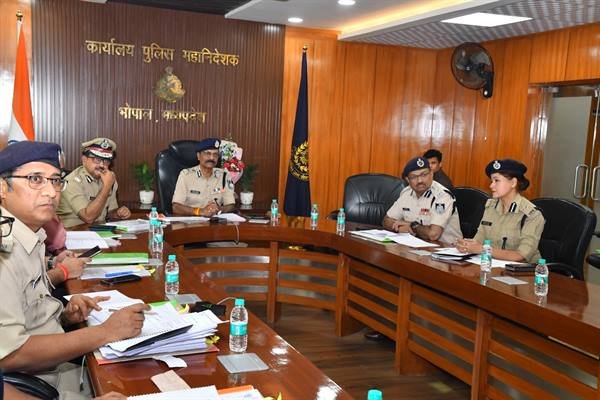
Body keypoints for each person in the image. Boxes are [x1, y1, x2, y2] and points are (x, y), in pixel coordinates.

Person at [0, 141, 148, 398]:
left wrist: (65, 317)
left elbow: (29, 313)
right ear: (3, 187)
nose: (51, 192)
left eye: (56, 181)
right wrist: (105, 332)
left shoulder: (29, 234)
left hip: (53, 369)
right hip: (38, 386)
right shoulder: (5, 250)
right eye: (35, 179)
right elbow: (11, 354)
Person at [457, 159, 545, 262]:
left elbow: (520, 255)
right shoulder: (490, 207)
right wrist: (467, 245)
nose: (491, 185)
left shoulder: (532, 215)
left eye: (496, 181)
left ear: (513, 183)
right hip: (492, 264)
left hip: (524, 269)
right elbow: (479, 240)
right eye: (491, 181)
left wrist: (482, 249)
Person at [383, 156, 462, 244]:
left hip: (447, 248)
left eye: (424, 175)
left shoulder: (442, 196)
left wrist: (411, 225)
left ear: (431, 174)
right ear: (407, 180)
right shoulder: (406, 193)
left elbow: (433, 235)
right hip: (417, 246)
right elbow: (386, 220)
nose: (420, 180)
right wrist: (399, 227)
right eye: (413, 177)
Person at [57, 138, 131, 228]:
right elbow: (88, 217)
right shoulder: (72, 181)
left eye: (106, 161)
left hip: (98, 230)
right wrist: (106, 187)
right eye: (97, 160)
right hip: (73, 232)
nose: (102, 165)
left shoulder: (108, 179)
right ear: (84, 160)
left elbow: (109, 212)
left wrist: (118, 213)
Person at [172, 138, 236, 216]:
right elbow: (176, 207)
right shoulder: (186, 175)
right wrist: (199, 211)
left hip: (215, 220)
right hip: (191, 220)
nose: (212, 158)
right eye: (207, 153)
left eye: (215, 154)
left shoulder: (224, 175)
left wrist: (219, 209)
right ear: (198, 156)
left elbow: (231, 205)